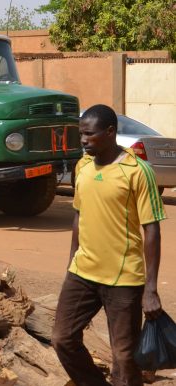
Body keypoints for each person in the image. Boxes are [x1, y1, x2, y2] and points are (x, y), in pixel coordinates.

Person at [52, 104, 164, 386]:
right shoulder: (83, 166)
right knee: (62, 339)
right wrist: (70, 265)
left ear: (110, 132)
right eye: (81, 134)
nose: (83, 140)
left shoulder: (138, 171)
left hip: (124, 279)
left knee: (125, 359)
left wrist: (150, 289)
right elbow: (79, 216)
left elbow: (151, 230)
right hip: (83, 273)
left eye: (89, 134)